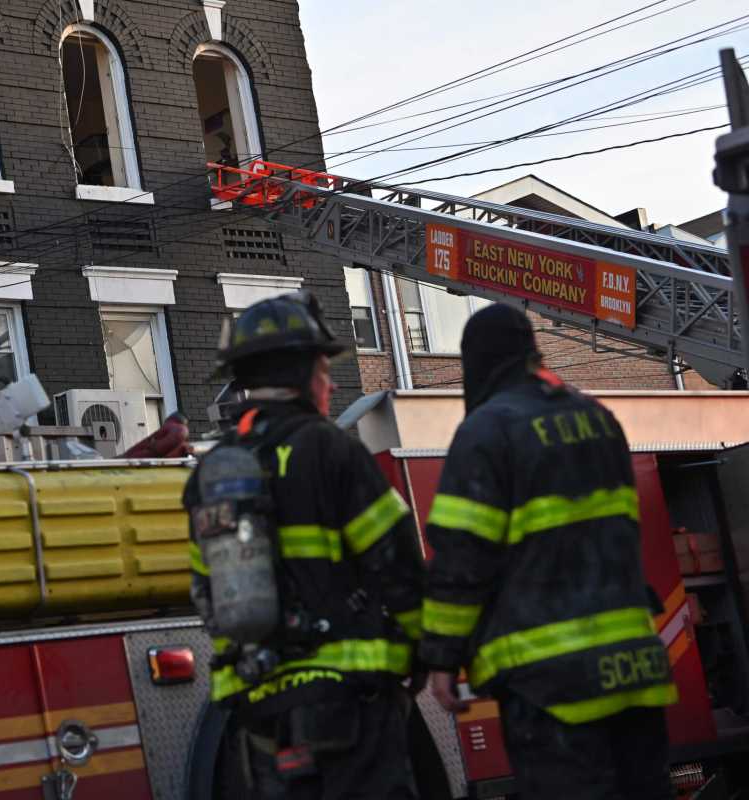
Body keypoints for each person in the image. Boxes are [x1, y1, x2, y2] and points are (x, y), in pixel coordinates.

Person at [420, 303, 677, 800]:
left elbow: (462, 561)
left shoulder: (487, 433)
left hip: (552, 685)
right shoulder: (598, 419)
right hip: (634, 670)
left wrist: (442, 660)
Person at [185, 292, 424, 799]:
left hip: (259, 713)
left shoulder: (212, 471)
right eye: (322, 368)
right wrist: (429, 651)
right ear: (300, 374)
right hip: (349, 700)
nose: (331, 382)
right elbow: (398, 564)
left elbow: (205, 592)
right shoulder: (332, 449)